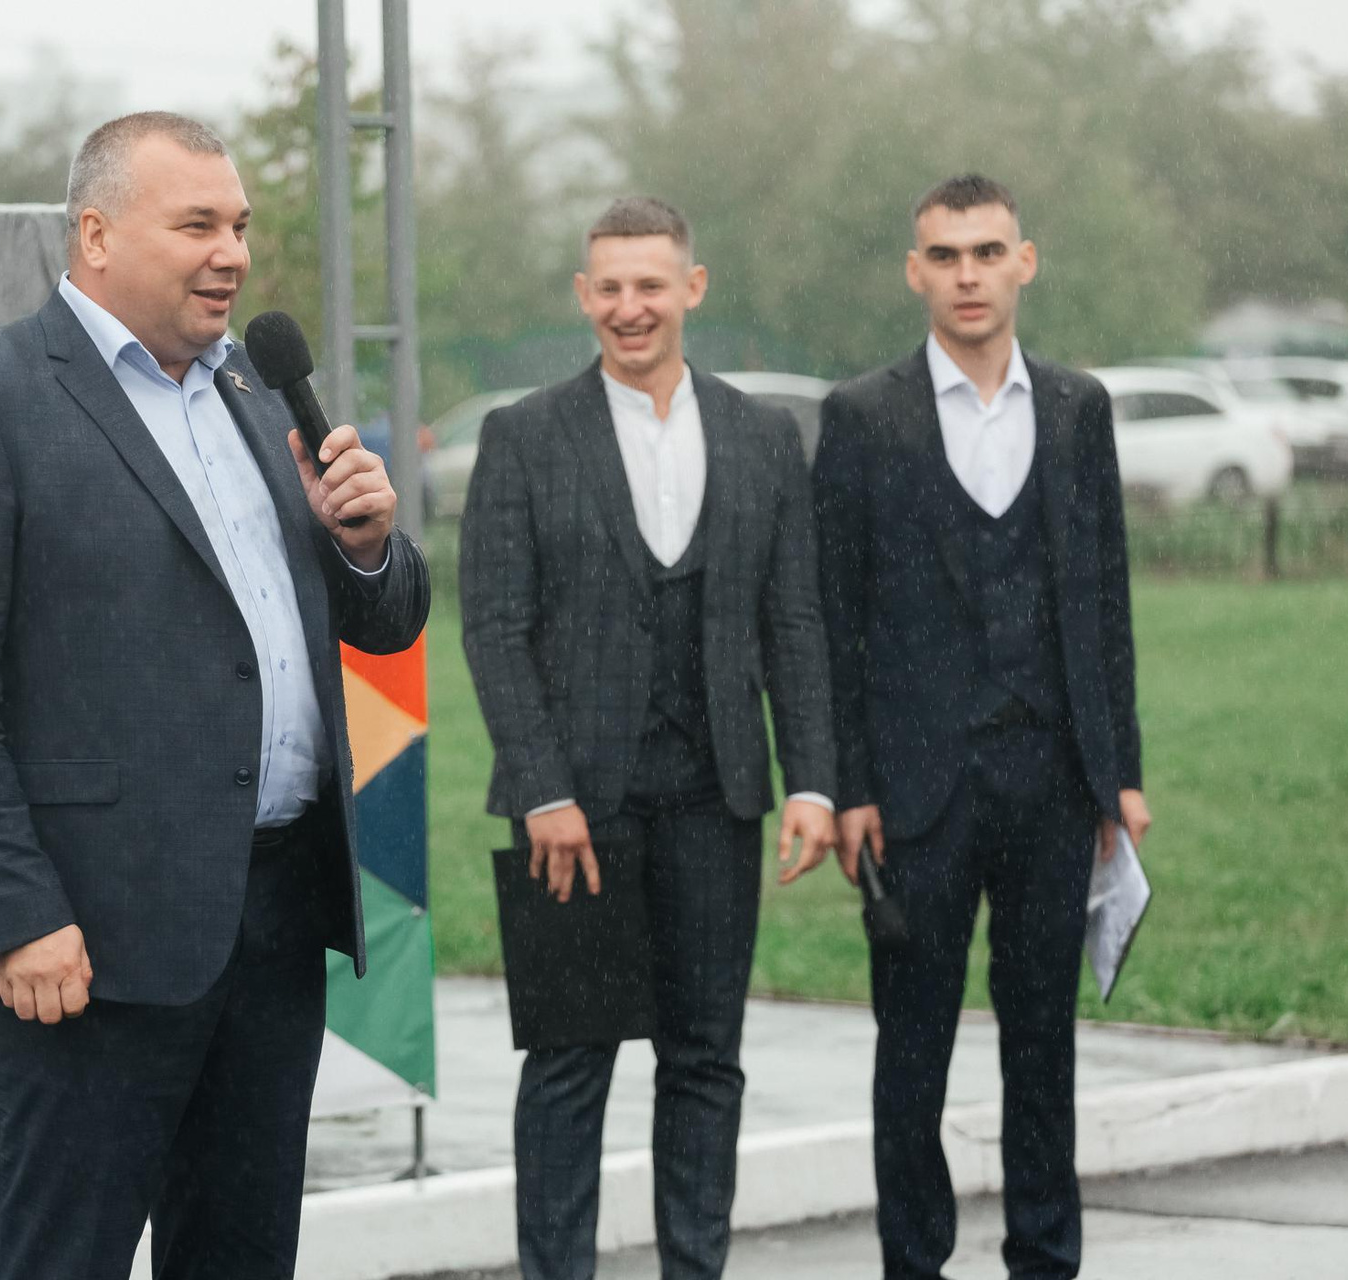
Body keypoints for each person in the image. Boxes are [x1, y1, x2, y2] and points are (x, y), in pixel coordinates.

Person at [0, 111, 429, 1280]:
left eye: (240, 226)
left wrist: (369, 546)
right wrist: (17, 911)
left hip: (274, 923)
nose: (232, 254)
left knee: (240, 1256)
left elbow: (381, 622)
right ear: (96, 234)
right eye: (196, 225)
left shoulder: (258, 397)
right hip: (91, 942)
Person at [459, 196, 837, 1280]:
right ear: (585, 296)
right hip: (573, 809)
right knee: (570, 1065)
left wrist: (813, 779)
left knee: (706, 1060)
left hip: (717, 794)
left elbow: (794, 621)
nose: (631, 307)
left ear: (692, 288)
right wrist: (541, 790)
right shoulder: (524, 436)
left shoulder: (763, 435)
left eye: (651, 286)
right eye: (611, 288)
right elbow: (495, 628)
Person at [811, 174, 1152, 1280]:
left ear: (1024, 263)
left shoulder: (1078, 407)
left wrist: (1119, 771)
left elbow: (1104, 599)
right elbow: (835, 616)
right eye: (948, 256)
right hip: (915, 789)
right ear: (916, 271)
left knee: (1043, 1042)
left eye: (988, 252)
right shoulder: (862, 415)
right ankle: (914, 1262)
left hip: (1051, 776)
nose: (969, 275)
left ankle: (1045, 1259)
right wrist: (848, 782)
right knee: (911, 1055)